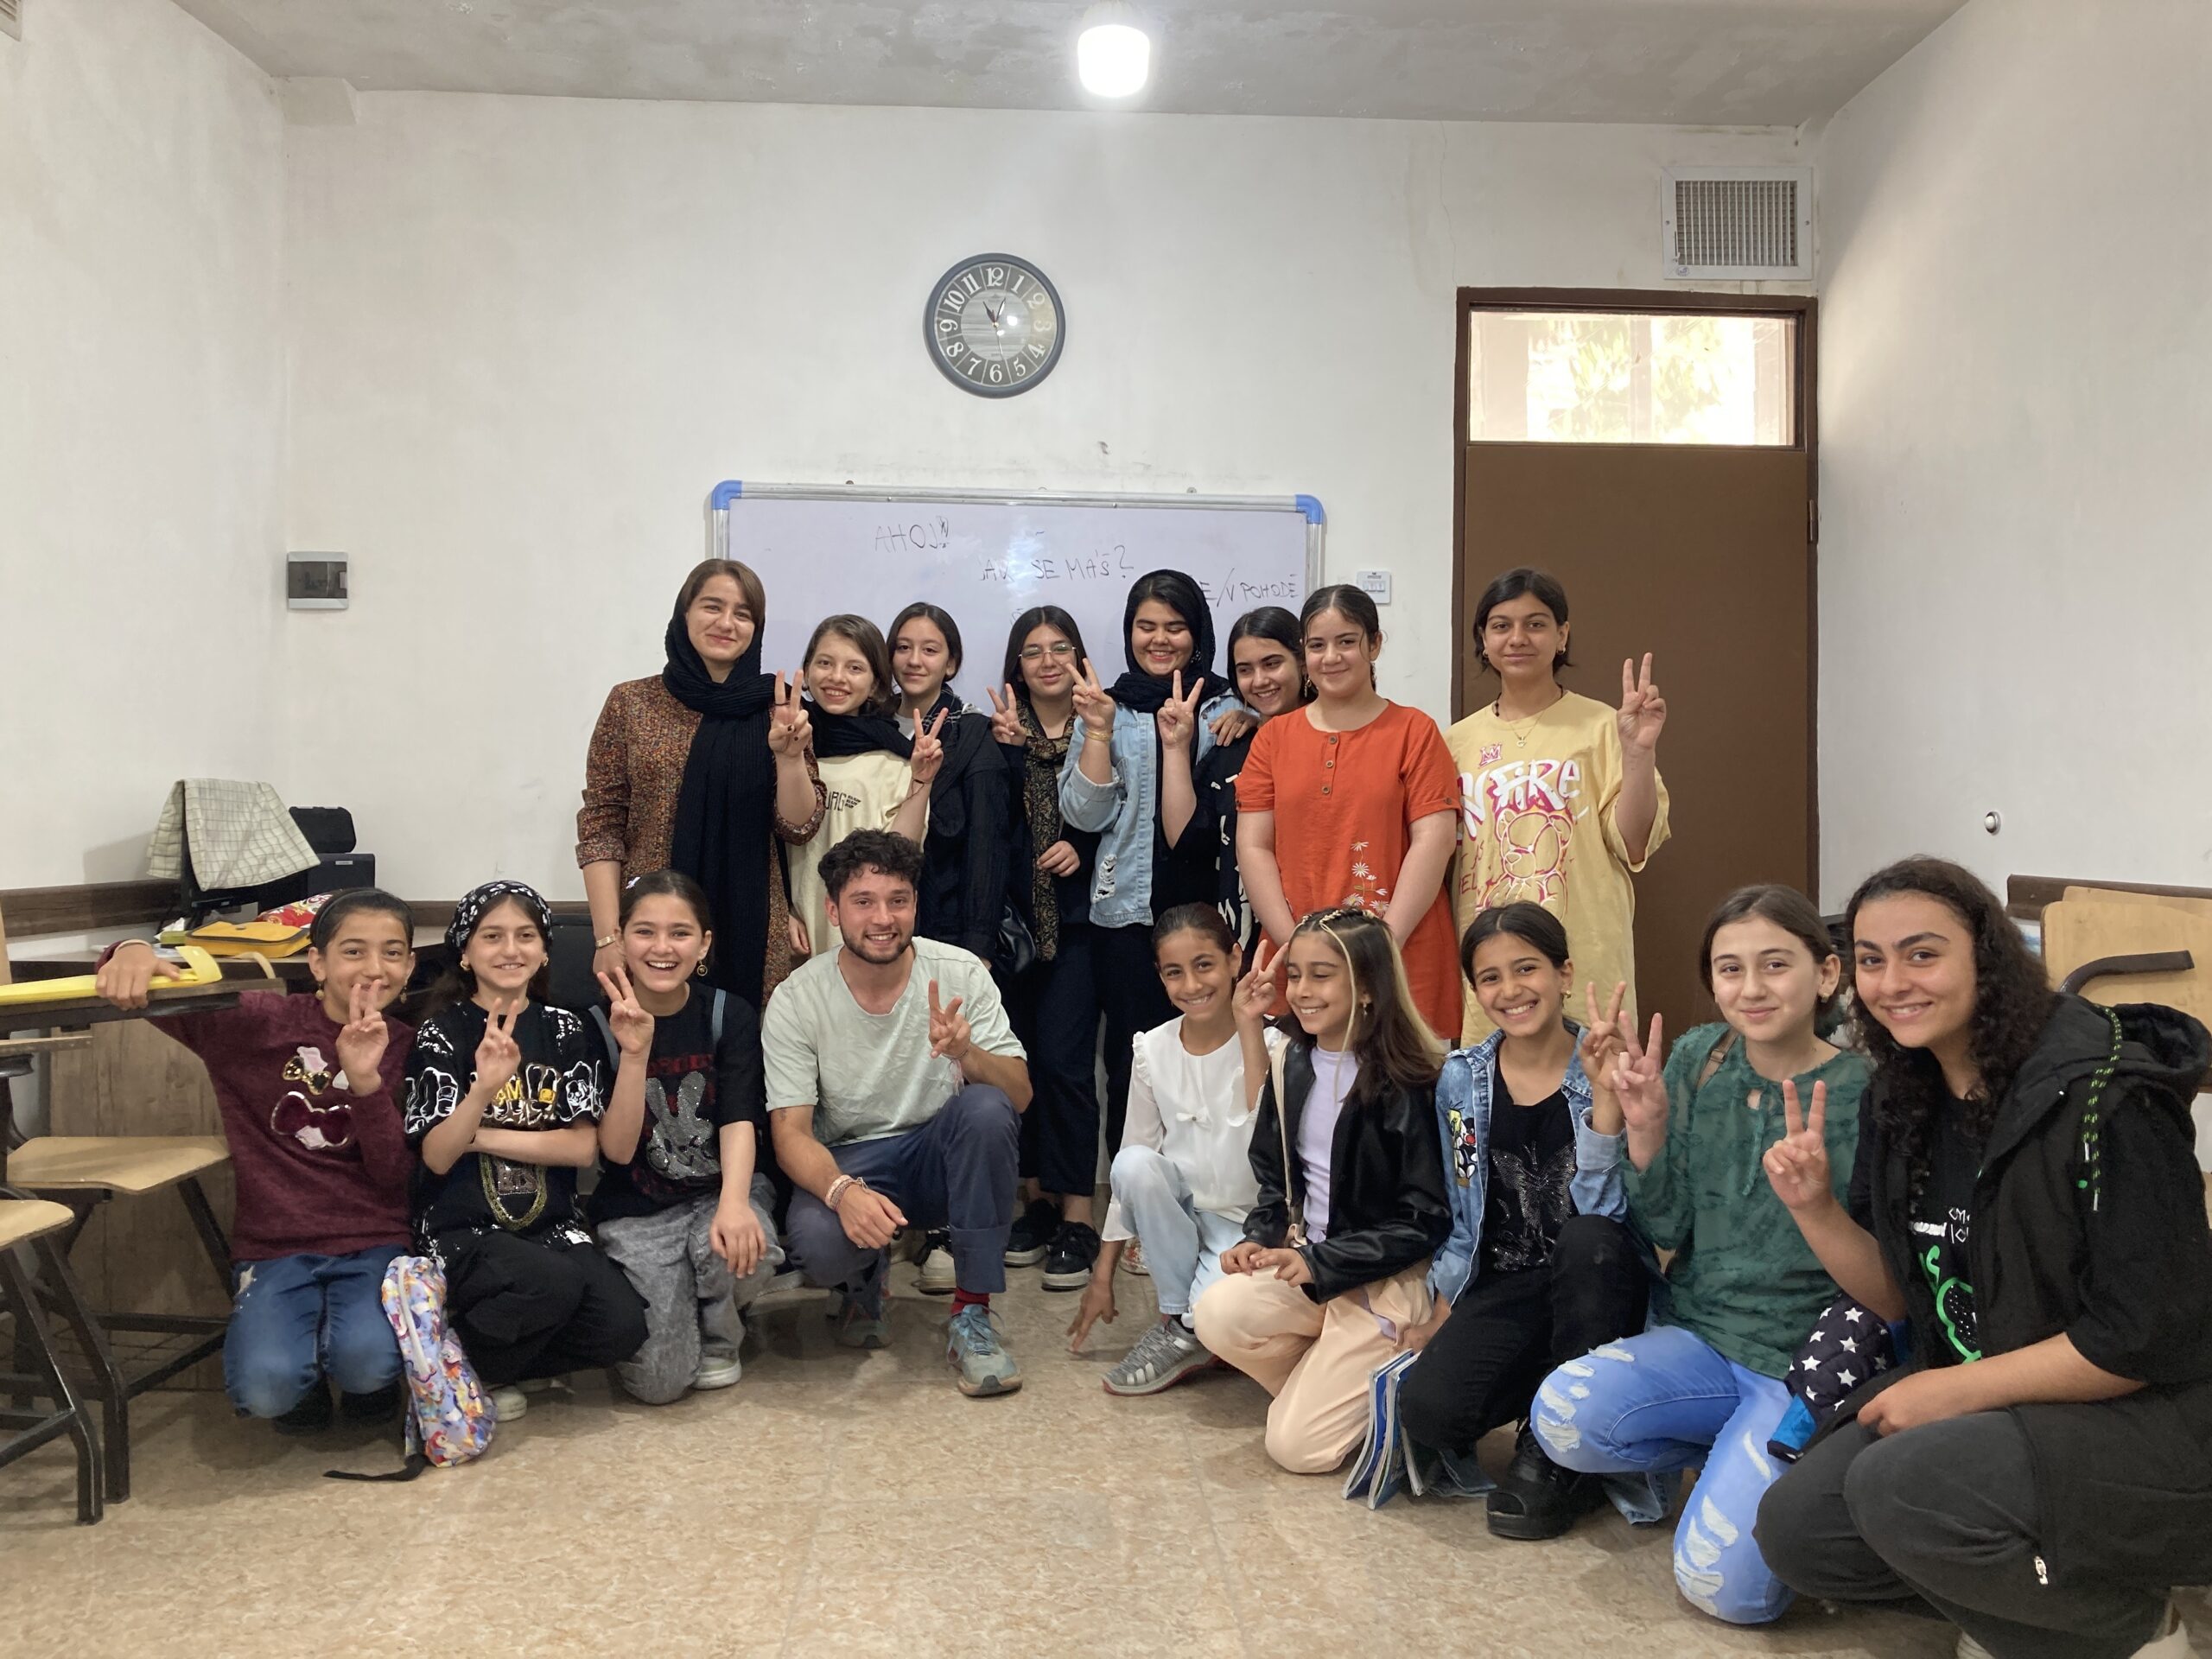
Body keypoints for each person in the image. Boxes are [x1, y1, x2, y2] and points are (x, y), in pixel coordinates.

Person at [1754, 859, 2212, 1659]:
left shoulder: (2108, 1101)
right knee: (1799, 1534)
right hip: (1999, 1404)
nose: (1893, 982)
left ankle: (2140, 1629)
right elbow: (1899, 1299)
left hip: (2154, 1421)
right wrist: (1813, 1209)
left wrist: (1951, 1390)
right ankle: (2040, 1600)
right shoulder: (1901, 1095)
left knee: (1898, 1490)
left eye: (1923, 954)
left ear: (1986, 958)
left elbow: (2140, 1339)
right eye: (1871, 959)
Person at [1527, 885, 1866, 1625]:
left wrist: (1817, 1204)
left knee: (1728, 1594)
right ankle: (1736, 1453)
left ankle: (1786, 1461)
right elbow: (1665, 1221)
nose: (1751, 988)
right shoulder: (1697, 1059)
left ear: (1827, 974)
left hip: (1798, 1365)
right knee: (1561, 1416)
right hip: (1703, 1339)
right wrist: (1645, 1128)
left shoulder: (1867, 1092)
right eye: (1730, 969)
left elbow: (1884, 1280)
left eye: (1775, 964)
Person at [90, 892, 420, 1429]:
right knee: (266, 1391)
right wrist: (128, 949)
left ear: (409, 966)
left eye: (392, 952)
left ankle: (366, 1383)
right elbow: (148, 987)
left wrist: (365, 1082)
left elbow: (392, 1176)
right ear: (317, 963)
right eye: (353, 951)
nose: (374, 968)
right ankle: (302, 1386)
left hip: (374, 1239)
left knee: (366, 1362)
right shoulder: (260, 1023)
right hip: (275, 1244)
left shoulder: (412, 1048)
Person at [1393, 904, 1649, 1535]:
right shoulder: (1462, 1080)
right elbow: (1464, 1213)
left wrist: (1607, 1103)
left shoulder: (1609, 1067)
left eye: (1527, 968)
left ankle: (1561, 1446)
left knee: (1588, 1241)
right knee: (1429, 1412)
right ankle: (1548, 1390)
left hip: (1595, 1285)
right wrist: (1444, 1307)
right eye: (1490, 977)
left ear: (1564, 974)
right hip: (1505, 1284)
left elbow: (1611, 1220)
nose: (1510, 990)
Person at [763, 830, 1034, 1396]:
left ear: (915, 904)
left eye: (898, 900)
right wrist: (842, 1193)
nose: (883, 918)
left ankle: (973, 1311)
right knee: (818, 1245)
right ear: (834, 911)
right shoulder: (796, 998)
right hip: (852, 1162)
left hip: (939, 1155)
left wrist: (967, 1053)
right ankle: (863, 1282)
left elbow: (1020, 1096)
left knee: (987, 1108)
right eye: (863, 902)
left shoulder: (960, 972)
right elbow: (789, 1134)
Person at [1192, 909, 1451, 1474]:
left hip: (1383, 1282)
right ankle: (1335, 1383)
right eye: (1296, 975)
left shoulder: (1413, 1079)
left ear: (1368, 986)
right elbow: (1275, 1177)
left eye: (1322, 975)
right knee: (1215, 1312)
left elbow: (1426, 1220)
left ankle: (1380, 1381)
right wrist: (1259, 1238)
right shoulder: (1292, 1059)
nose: (1302, 991)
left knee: (1296, 1450)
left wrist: (1321, 1263)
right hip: (1311, 1266)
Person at [403, 881, 647, 1419]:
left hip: (553, 1225)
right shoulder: (440, 1033)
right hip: (462, 1228)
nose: (511, 949)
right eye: (492, 937)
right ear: (465, 953)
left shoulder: (566, 1028)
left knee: (623, 1327)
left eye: (525, 936)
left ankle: (493, 1362)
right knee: (551, 1282)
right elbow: (438, 1156)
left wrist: (479, 1136)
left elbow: (581, 1148)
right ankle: (478, 1354)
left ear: (543, 951)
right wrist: (483, 1090)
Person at [1060, 569, 1250, 1154]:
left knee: (1219, 1063)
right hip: (1127, 916)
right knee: (1133, 1064)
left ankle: (1214, 1186)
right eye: (1146, 626)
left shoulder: (1227, 704)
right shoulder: (1107, 708)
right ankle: (1136, 1192)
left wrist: (1254, 719)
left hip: (1210, 913)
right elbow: (1084, 814)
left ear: (1198, 634)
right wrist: (1097, 733)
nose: (1160, 639)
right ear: (1129, 632)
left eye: (1175, 626)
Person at [578, 557, 825, 1008]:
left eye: (743, 614)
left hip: (752, 923)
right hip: (650, 930)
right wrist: (607, 936)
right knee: (643, 1042)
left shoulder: (777, 706)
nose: (727, 623)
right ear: (684, 613)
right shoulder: (631, 703)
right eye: (713, 606)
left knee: (742, 1042)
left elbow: (799, 827)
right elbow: (601, 824)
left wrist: (789, 759)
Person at [1444, 567, 1669, 1044]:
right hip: (1490, 967)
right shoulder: (1455, 743)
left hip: (1585, 960)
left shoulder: (1604, 725)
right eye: (1501, 626)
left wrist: (1638, 754)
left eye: (1536, 624)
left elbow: (1633, 843)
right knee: (1491, 1086)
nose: (1518, 638)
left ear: (1562, 635)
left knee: (1598, 1084)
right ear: (1483, 639)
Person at [1067, 905, 1287, 1395]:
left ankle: (1192, 1326)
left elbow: (1267, 1139)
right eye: (1174, 972)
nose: (1191, 985)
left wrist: (1249, 1026)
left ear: (1235, 959)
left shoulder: (1272, 1042)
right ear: (1160, 976)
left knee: (1221, 1319)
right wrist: (1103, 1275)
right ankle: (1176, 1318)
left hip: (1252, 1226)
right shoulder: (1152, 1048)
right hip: (1184, 1221)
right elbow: (1131, 1168)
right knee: (1134, 1164)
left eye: (1204, 965)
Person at [588, 870, 784, 1405]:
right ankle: (687, 1311)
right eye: (644, 932)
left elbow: (739, 1119)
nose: (662, 948)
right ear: (620, 938)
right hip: (638, 1209)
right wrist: (633, 1054)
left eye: (680, 933)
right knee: (659, 1385)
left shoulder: (727, 1014)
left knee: (744, 1246)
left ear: (703, 944)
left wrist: (735, 1203)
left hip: (719, 1190)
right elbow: (616, 1151)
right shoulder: (594, 1024)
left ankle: (721, 1330)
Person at [1237, 585, 1461, 1040]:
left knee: (1403, 1081)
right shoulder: (1272, 739)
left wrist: (1381, 947)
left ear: (1374, 645)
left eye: (1346, 642)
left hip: (1402, 954)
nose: (1331, 657)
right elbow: (1254, 846)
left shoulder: (1415, 731)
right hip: (1296, 962)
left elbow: (1434, 841)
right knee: (1299, 1080)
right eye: (1317, 645)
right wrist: (1296, 948)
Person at [982, 606, 1105, 1292]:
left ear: (1080, 658)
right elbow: (988, 827)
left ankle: (1078, 1214)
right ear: (1017, 666)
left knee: (1066, 1069)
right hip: (1011, 930)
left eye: (1061, 648)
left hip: (1080, 928)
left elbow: (1123, 811)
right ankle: (1035, 1203)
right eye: (1033, 651)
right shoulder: (996, 730)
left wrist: (1080, 846)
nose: (1048, 661)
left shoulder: (1105, 724)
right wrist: (1004, 753)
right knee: (1017, 1068)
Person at [785, 614, 946, 957]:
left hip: (867, 942)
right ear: (807, 671)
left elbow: (901, 854)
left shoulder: (895, 761)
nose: (837, 677)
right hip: (796, 940)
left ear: (875, 683)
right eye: (824, 663)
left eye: (855, 668)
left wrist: (921, 782)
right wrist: (780, 908)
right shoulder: (787, 746)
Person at [1166, 605, 1310, 957]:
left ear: (1303, 662)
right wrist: (1176, 748)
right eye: (1245, 670)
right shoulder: (1235, 746)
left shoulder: (1334, 741)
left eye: (1272, 663)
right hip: (1248, 939)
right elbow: (1186, 840)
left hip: (1320, 925)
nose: (1259, 680)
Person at [888, 601, 1009, 963]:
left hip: (946, 927)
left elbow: (987, 844)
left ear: (951, 663)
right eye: (903, 647)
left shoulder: (972, 733)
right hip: (871, 919)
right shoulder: (868, 723)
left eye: (929, 650)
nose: (914, 660)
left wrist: (978, 948)